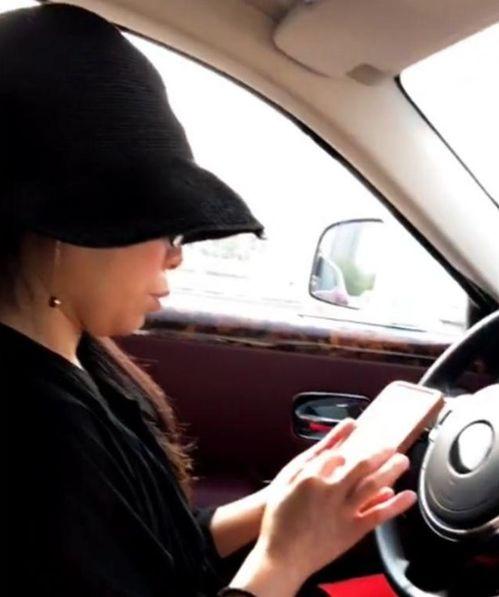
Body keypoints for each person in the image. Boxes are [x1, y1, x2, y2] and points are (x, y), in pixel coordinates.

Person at [2, 4, 416, 596]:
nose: (177, 255)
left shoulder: (79, 359)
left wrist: (278, 501)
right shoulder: (33, 433)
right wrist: (282, 559)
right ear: (73, 223)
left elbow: (156, 551)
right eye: (166, 227)